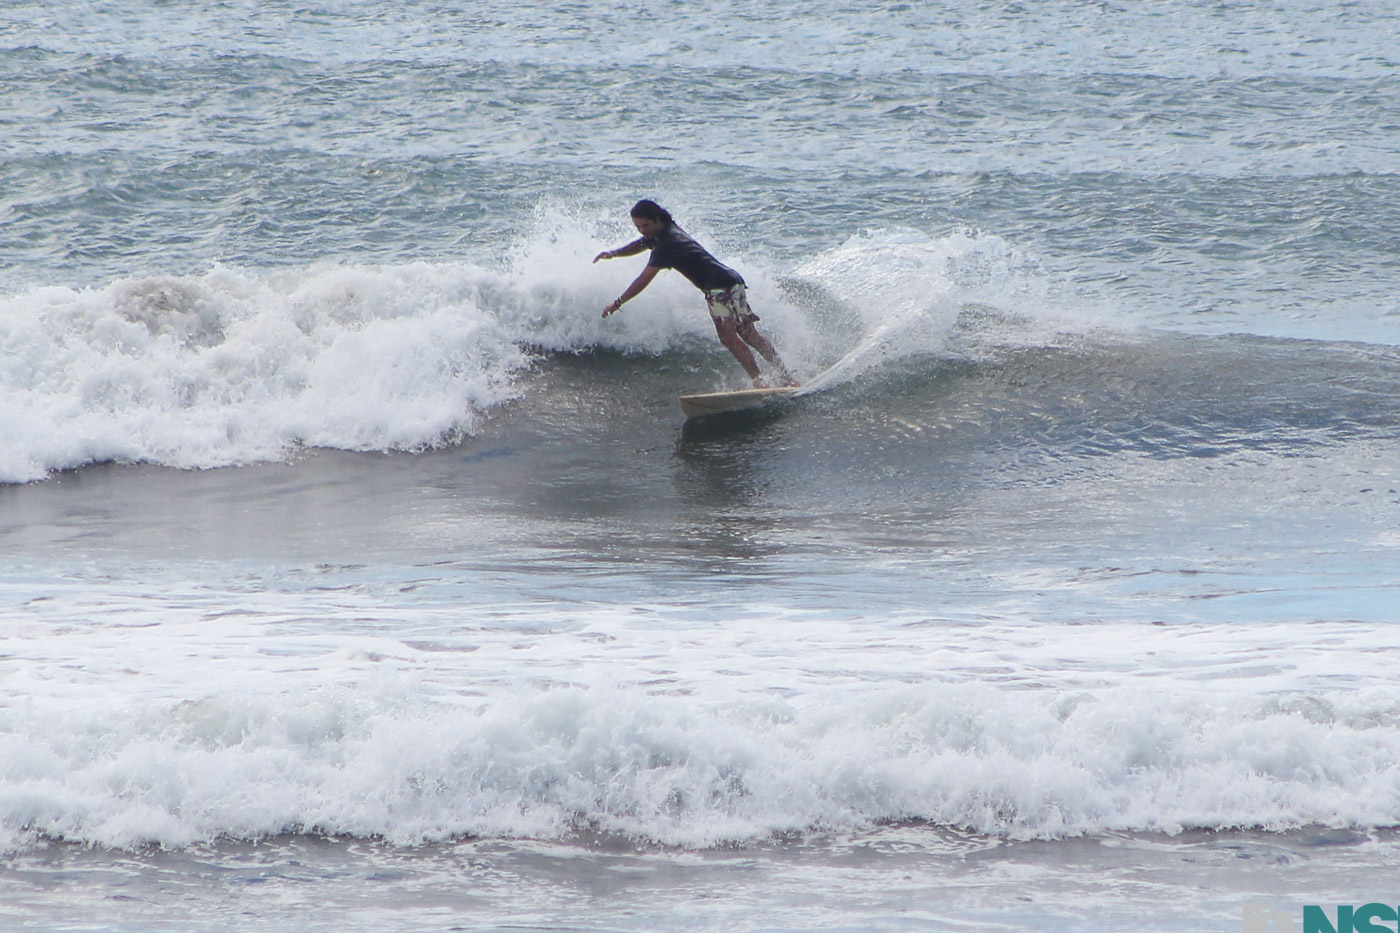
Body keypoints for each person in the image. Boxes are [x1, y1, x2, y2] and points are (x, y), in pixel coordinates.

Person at [594, 200, 796, 388]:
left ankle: (759, 381)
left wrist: (618, 302)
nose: (642, 230)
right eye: (638, 227)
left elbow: (643, 279)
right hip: (733, 281)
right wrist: (614, 253)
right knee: (749, 334)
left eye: (645, 225)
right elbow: (640, 244)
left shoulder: (666, 245)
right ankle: (786, 376)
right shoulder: (668, 231)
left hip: (718, 288)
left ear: (657, 220)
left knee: (729, 337)